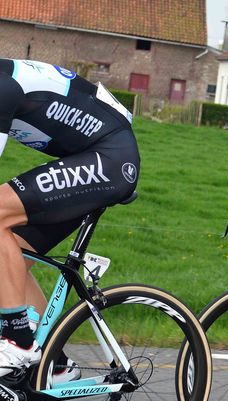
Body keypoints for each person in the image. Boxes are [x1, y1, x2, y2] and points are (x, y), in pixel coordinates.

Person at [0, 58, 139, 381]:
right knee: (10, 257)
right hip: (88, 157)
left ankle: (18, 342)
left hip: (110, 158)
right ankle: (55, 364)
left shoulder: (3, 87)